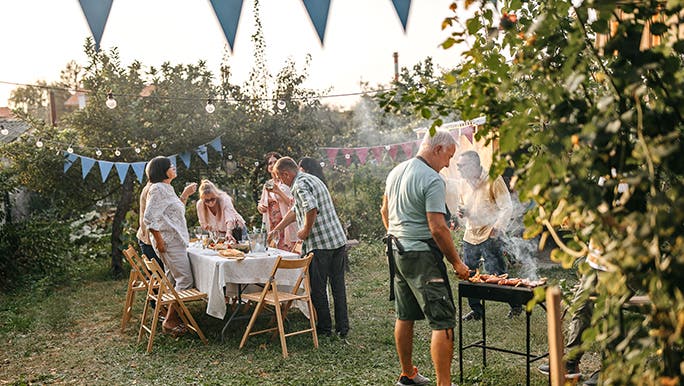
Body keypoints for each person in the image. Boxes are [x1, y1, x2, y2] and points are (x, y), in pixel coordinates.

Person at [381, 129, 470, 386]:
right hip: (421, 256)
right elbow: (437, 227)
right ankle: (445, 384)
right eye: (449, 157)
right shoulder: (432, 179)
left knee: (405, 315)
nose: (448, 164)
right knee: (442, 320)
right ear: (437, 149)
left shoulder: (395, 171)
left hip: (397, 252)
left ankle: (407, 374)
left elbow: (385, 210)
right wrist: (456, 262)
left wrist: (397, 233)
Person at [268, 156, 350, 339]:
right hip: (337, 240)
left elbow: (311, 208)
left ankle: (324, 328)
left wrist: (304, 230)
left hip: (321, 245)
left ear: (286, 174)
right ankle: (342, 328)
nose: (281, 182)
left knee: (317, 288)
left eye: (280, 178)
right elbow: (296, 209)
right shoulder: (312, 178)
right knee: (338, 287)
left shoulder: (298, 185)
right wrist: (277, 228)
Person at [455, 150, 521, 321]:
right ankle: (477, 311)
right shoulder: (463, 183)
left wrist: (497, 228)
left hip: (490, 233)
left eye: (461, 166)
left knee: (497, 273)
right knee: (469, 274)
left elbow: (507, 206)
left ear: (473, 166)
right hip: (471, 233)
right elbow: (463, 205)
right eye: (458, 166)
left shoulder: (493, 179)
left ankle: (516, 306)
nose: (459, 169)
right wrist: (461, 212)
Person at [143, 156, 197, 335]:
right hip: (169, 242)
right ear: (162, 170)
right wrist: (159, 241)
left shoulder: (167, 188)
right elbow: (149, 218)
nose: (174, 167)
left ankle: (173, 316)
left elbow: (171, 212)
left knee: (173, 279)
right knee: (186, 280)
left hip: (175, 240)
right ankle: (171, 319)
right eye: (170, 166)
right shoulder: (157, 189)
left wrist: (185, 194)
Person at [257, 152, 297, 250]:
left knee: (287, 254)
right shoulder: (267, 184)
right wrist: (260, 207)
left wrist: (278, 191)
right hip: (271, 225)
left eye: (275, 162)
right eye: (270, 163)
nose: (272, 165)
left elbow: (294, 205)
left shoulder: (286, 182)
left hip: (285, 225)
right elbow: (262, 204)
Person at [196, 179, 246, 244]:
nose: (210, 203)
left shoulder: (225, 199)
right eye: (207, 201)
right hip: (220, 235)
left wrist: (229, 232)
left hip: (236, 230)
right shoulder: (200, 204)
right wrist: (206, 227)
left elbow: (230, 218)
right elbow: (202, 223)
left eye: (212, 199)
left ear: (216, 195)